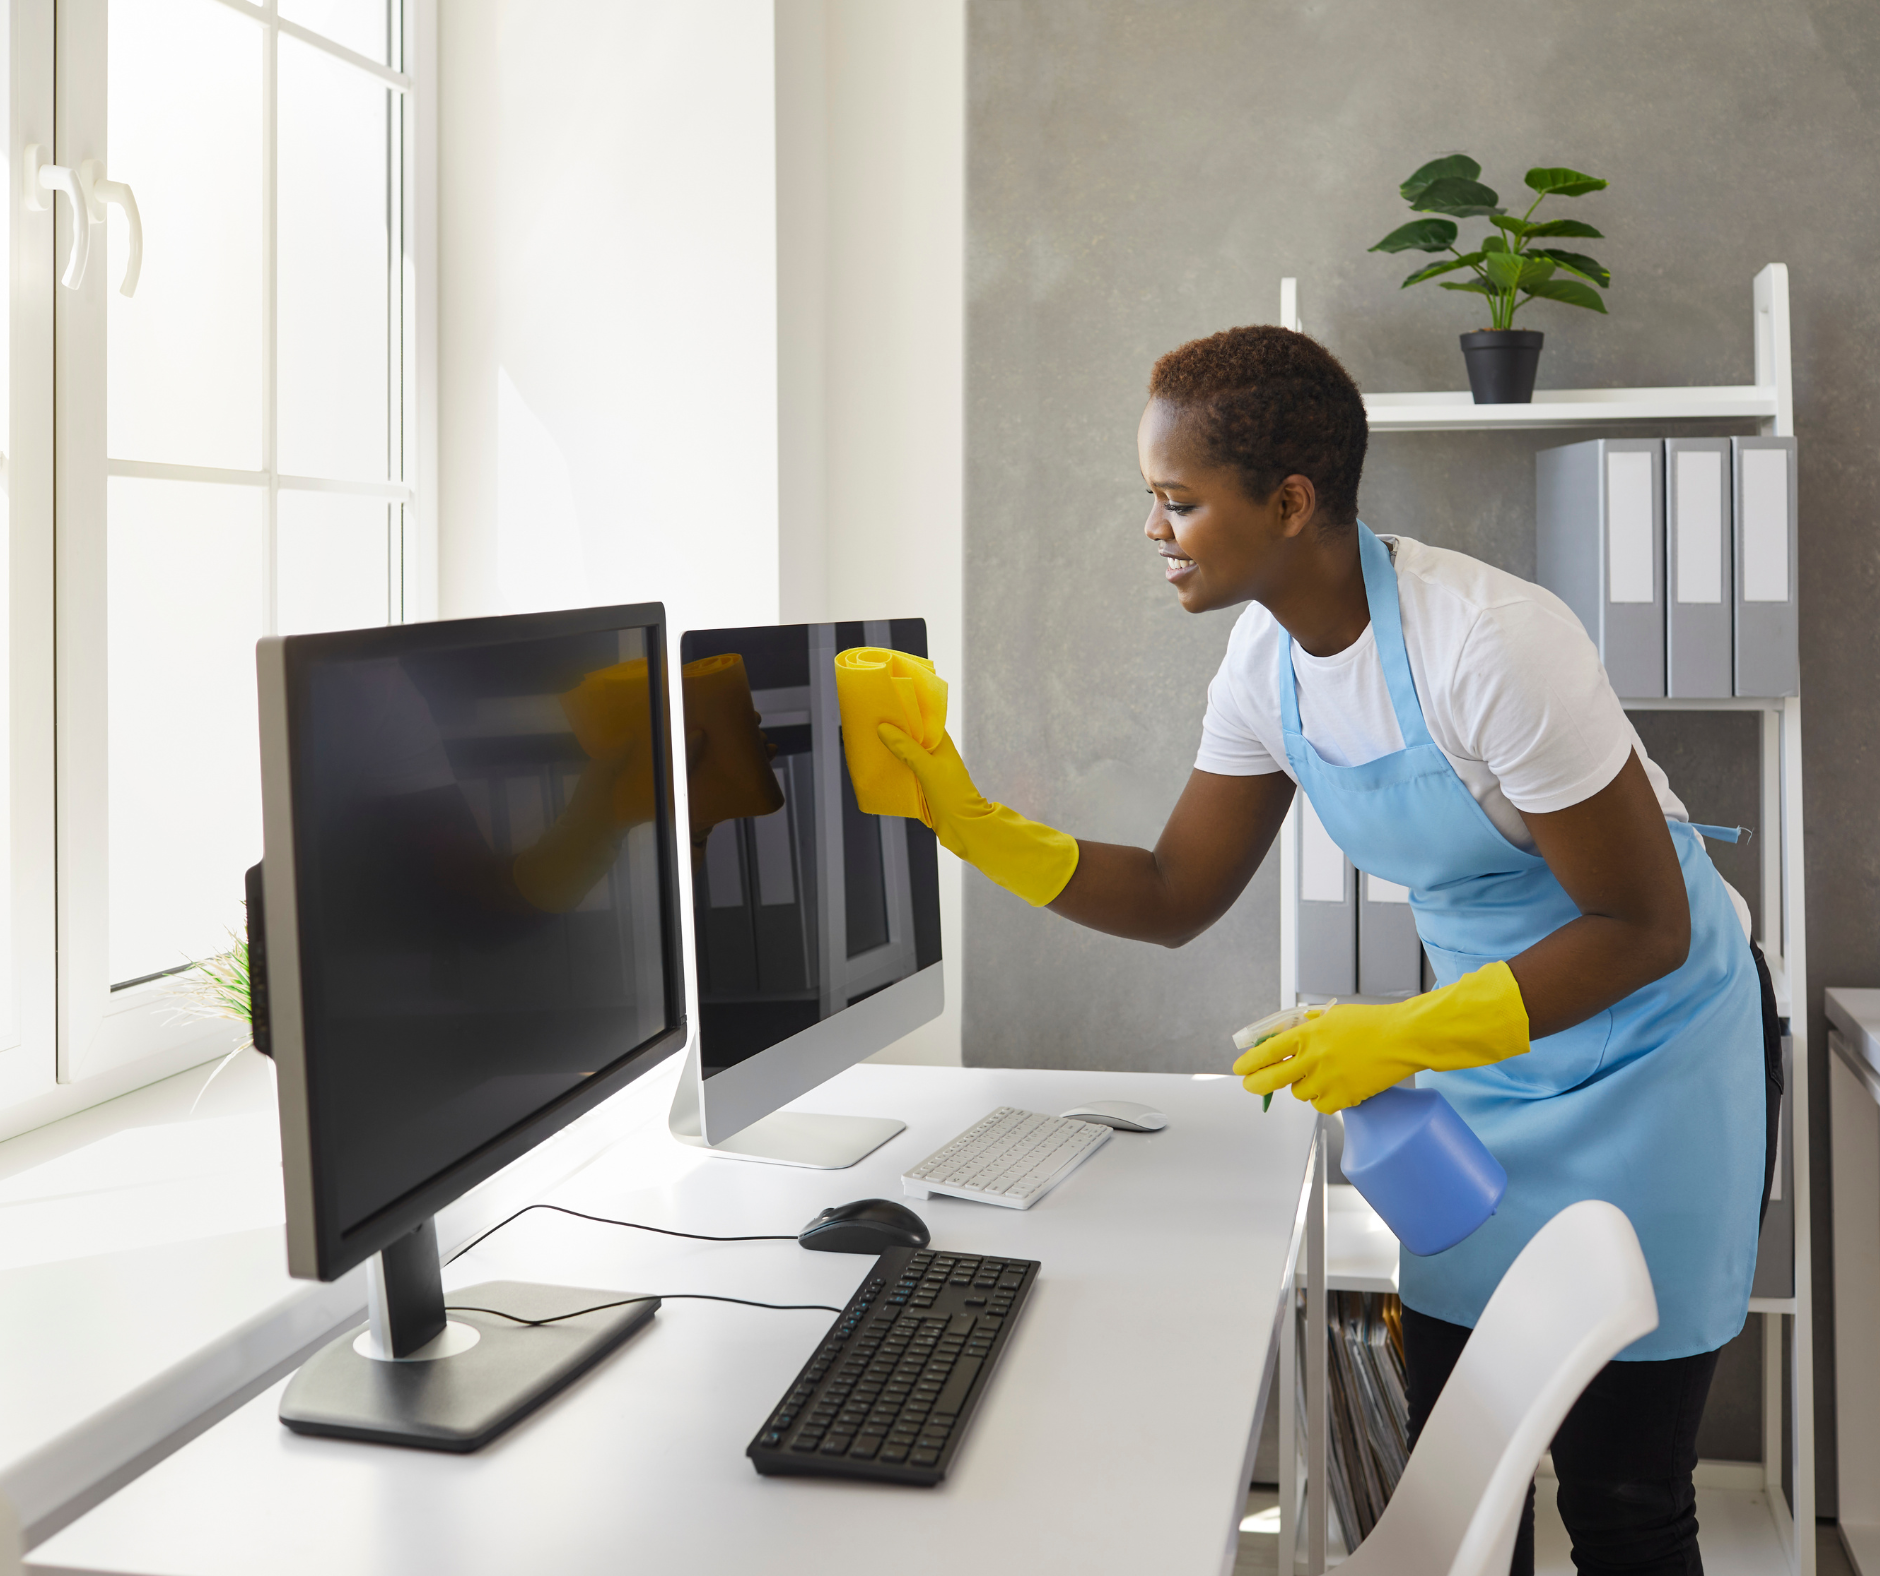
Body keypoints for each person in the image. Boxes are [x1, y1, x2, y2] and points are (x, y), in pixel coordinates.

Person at [871, 326, 1769, 1576]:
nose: (1153, 531)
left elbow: (1640, 928)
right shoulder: (1262, 666)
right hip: (1490, 1065)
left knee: (1623, 1496)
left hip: (1655, 1053)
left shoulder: (1491, 643)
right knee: (1469, 1474)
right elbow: (1178, 889)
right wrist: (964, 820)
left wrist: (1399, 1032)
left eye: (1176, 501)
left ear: (1288, 503)